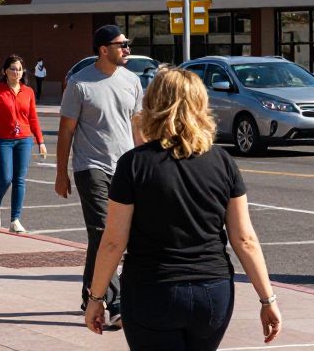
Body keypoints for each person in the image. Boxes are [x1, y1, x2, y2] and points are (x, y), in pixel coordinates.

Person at [84, 69, 282, 349]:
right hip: (212, 292)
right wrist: (267, 299)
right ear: (201, 105)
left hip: (153, 290)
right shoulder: (223, 162)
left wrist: (96, 298)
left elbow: (114, 240)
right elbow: (244, 239)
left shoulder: (134, 164)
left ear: (153, 106)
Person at [56, 24, 143, 326]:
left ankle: (89, 294)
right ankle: (116, 302)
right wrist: (61, 173)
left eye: (127, 44)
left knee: (107, 238)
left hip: (126, 168)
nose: (127, 49)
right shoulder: (79, 84)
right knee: (103, 232)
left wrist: (146, 164)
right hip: (90, 167)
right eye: (122, 45)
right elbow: (66, 131)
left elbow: (137, 126)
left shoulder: (132, 81)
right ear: (103, 49)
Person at [0, 54, 46, 233]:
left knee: (20, 179)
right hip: (1, 140)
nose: (16, 72)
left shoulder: (28, 92)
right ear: (5, 71)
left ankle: (15, 219)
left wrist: (40, 141)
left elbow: (33, 117)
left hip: (24, 139)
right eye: (13, 68)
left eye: (19, 69)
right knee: (5, 178)